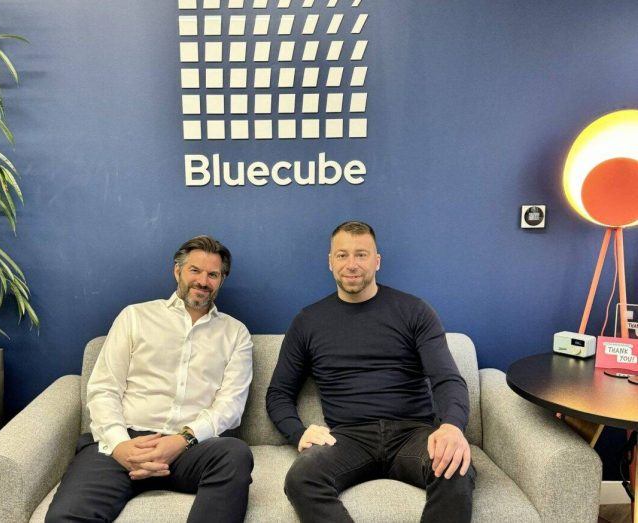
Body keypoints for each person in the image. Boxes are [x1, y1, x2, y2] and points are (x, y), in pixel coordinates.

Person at [266, 221, 475, 522]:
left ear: (377, 261)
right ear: (330, 262)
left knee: (457, 467)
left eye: (361, 255)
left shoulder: (414, 311)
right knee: (301, 478)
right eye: (342, 255)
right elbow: (278, 394)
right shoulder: (307, 321)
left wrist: (452, 426)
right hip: (348, 438)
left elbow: (448, 379)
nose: (352, 264)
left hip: (412, 433)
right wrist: (298, 432)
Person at [46, 236, 254, 523]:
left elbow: (230, 406)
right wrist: (120, 445)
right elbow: (104, 389)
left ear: (221, 280)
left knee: (235, 454)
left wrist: (182, 440)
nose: (203, 281)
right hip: (125, 443)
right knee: (65, 518)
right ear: (177, 271)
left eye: (213, 274)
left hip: (190, 449)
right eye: (195, 270)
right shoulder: (135, 317)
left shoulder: (235, 333)